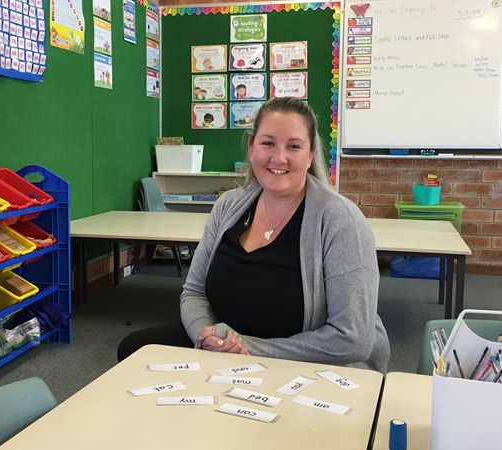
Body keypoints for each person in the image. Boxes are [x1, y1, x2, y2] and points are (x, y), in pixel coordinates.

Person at [118, 98, 390, 372]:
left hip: (303, 359)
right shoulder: (229, 206)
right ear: (251, 148)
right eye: (267, 143)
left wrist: (247, 349)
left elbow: (352, 339)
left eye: (293, 146)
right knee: (133, 351)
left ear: (309, 155)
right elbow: (194, 291)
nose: (278, 157)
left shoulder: (340, 220)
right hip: (224, 348)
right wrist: (209, 338)